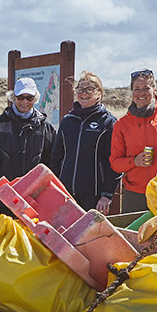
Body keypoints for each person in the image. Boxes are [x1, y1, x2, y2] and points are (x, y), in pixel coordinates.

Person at [47, 70, 119, 213]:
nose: (84, 93)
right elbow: (56, 158)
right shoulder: (68, 120)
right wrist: (53, 188)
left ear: (99, 92)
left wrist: (107, 195)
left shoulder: (108, 122)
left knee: (89, 235)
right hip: (66, 193)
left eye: (89, 89)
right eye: (80, 89)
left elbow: (114, 164)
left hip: (94, 195)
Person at [0, 77, 54, 217]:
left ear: (35, 99)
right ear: (13, 97)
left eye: (29, 97)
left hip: (33, 200)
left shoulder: (45, 127)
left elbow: (51, 163)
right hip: (3, 199)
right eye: (20, 97)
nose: (25, 102)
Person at [109, 69, 157, 214]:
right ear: (132, 92)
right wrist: (134, 161)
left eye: (146, 88)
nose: (141, 93)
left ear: (154, 90)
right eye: (137, 89)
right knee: (132, 236)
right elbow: (115, 163)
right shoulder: (121, 125)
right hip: (134, 194)